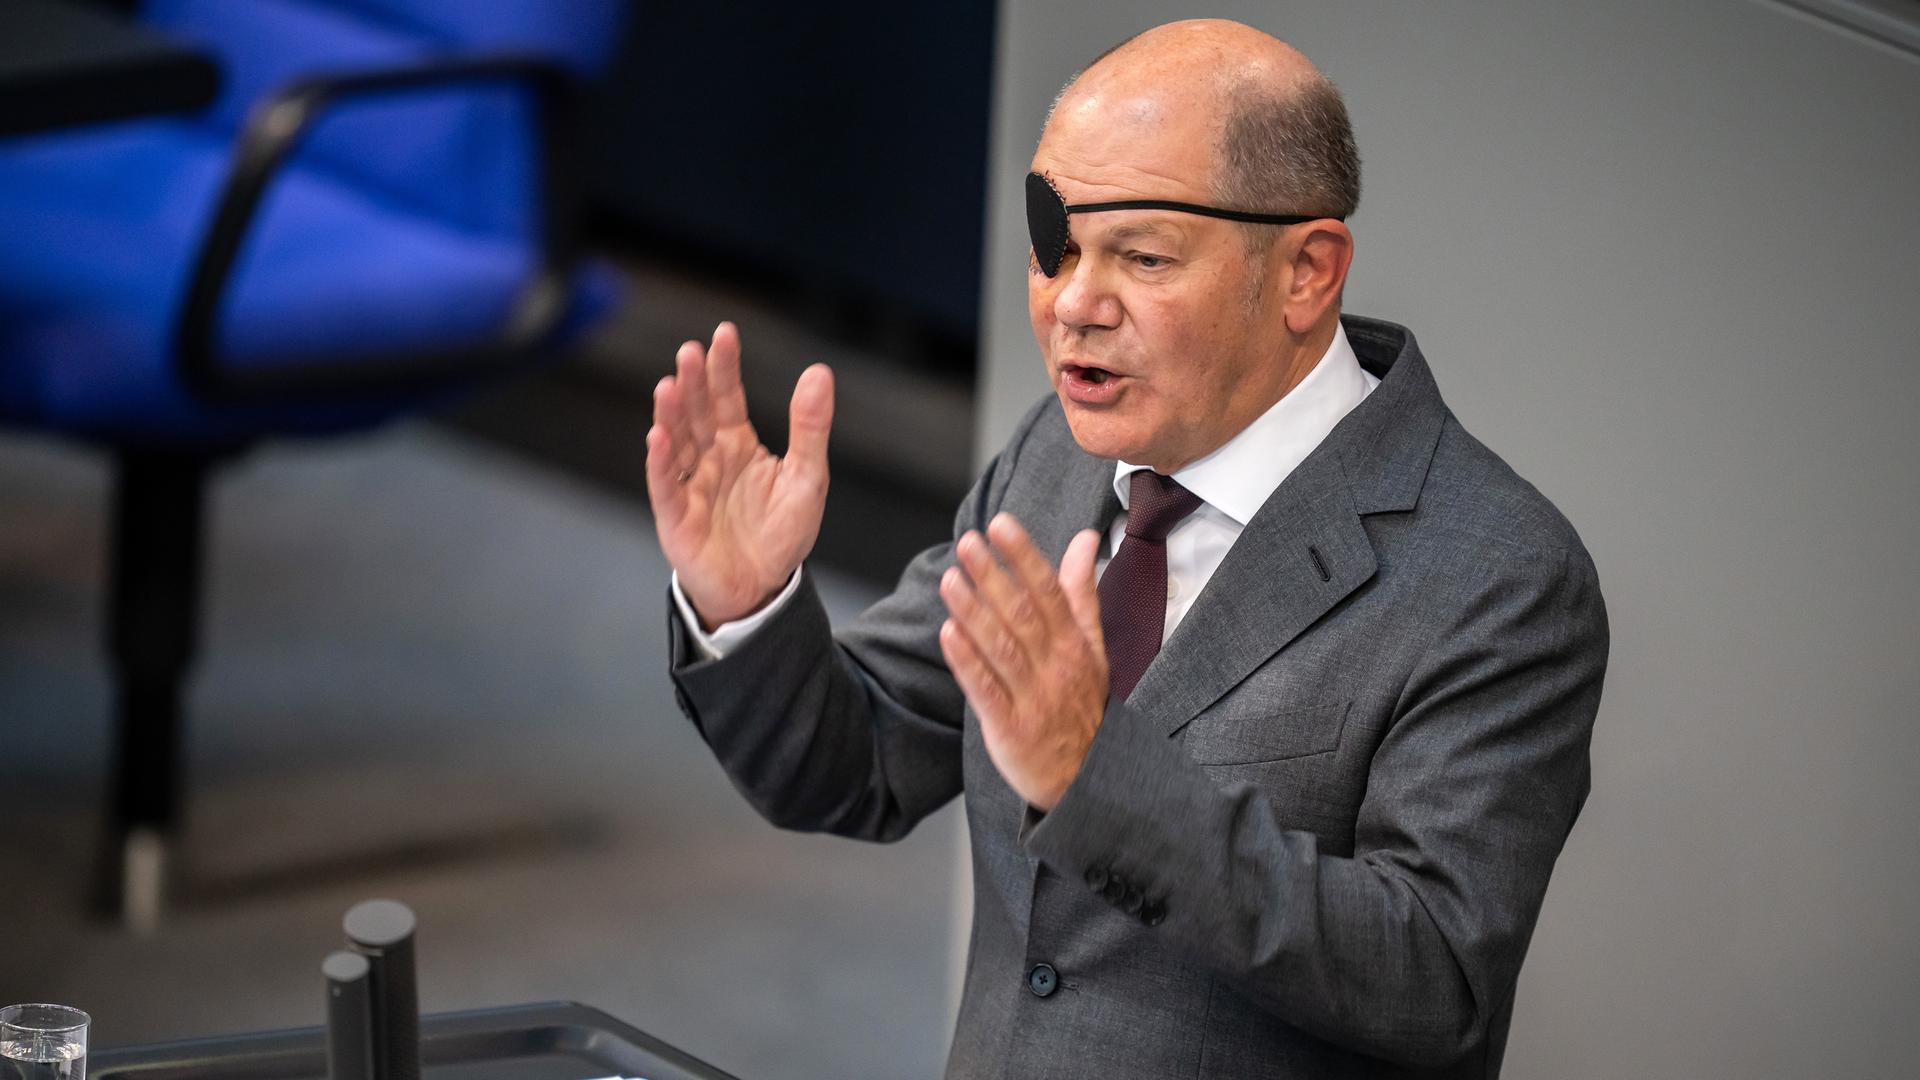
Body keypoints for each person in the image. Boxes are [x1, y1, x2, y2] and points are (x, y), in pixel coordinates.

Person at [644, 19, 1608, 1080]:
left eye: (1142, 258)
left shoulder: (1499, 577)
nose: (1073, 305)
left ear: (1307, 272)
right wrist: (745, 606)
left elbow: (1435, 981)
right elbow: (859, 763)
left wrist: (1094, 778)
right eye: (1053, 247)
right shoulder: (1057, 459)